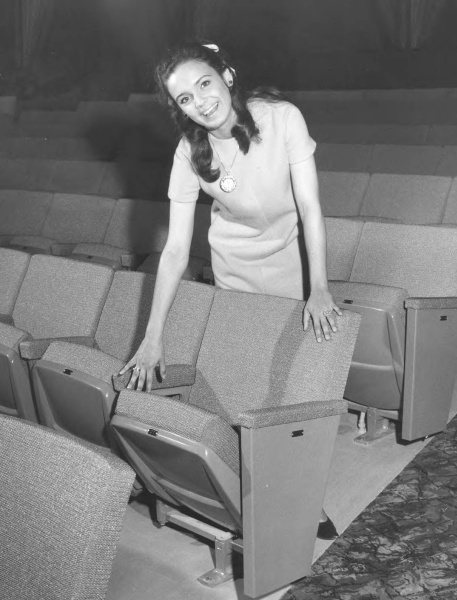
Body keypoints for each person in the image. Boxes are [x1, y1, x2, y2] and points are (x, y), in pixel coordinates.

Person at [119, 40, 341, 540]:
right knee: (243, 380)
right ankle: (241, 497)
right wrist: (152, 337)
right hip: (231, 270)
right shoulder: (188, 152)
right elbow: (175, 250)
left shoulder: (283, 118)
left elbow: (310, 209)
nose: (199, 101)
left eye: (204, 83)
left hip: (287, 264)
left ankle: (301, 499)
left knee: (286, 387)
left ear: (228, 75)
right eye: (184, 99)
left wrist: (320, 287)